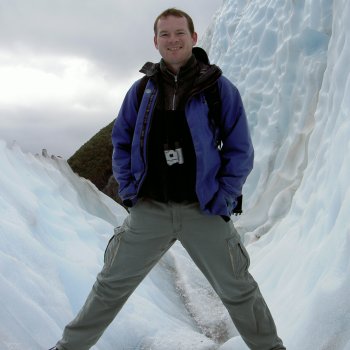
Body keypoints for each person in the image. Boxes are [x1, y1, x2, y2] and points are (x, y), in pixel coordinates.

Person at [50, 8, 285, 350]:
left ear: (193, 38)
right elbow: (122, 140)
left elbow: (239, 149)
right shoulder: (141, 90)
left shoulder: (218, 89)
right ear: (155, 41)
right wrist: (131, 193)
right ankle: (67, 347)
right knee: (110, 285)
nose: (172, 40)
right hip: (151, 209)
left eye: (179, 33)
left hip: (203, 209)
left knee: (238, 289)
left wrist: (224, 197)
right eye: (165, 34)